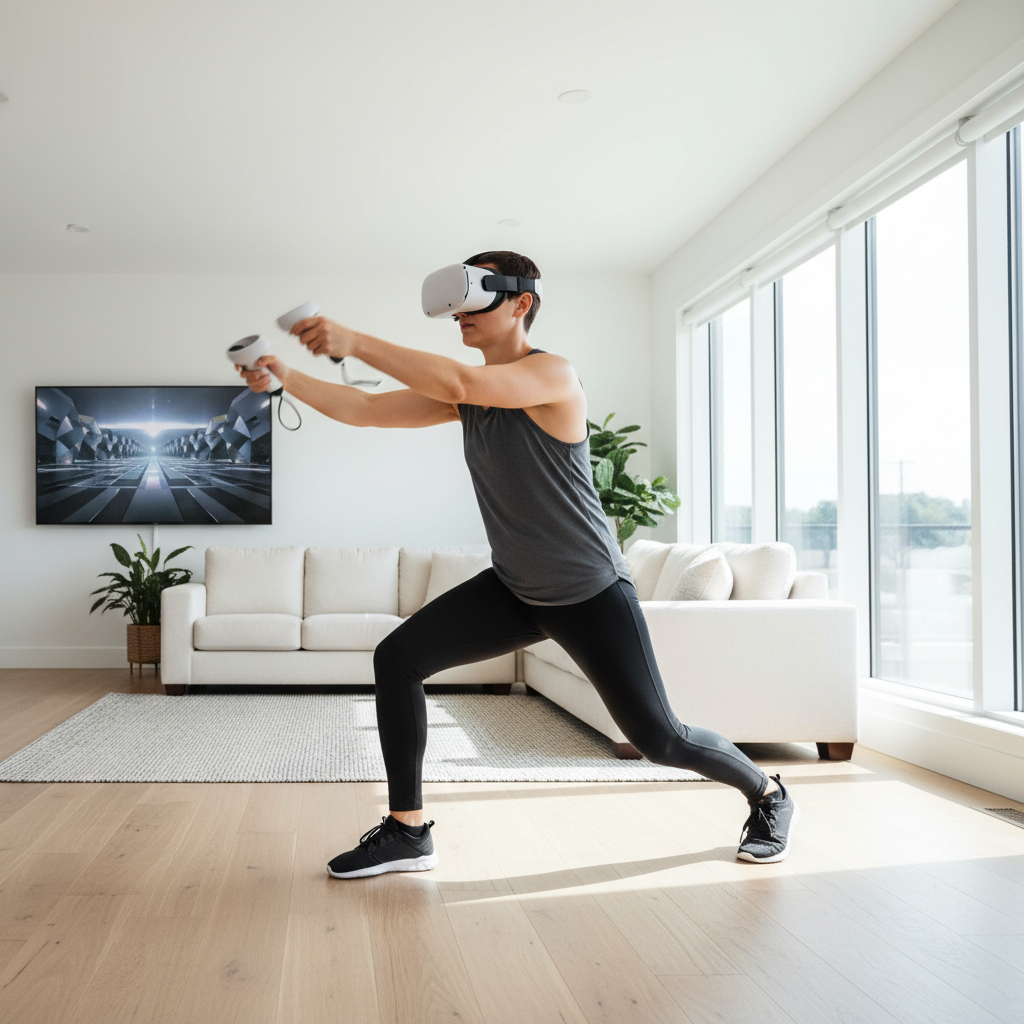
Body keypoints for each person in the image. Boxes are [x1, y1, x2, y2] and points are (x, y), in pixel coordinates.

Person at [237, 250, 799, 876]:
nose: (461, 318)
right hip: (516, 587)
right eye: (456, 309)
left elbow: (459, 382)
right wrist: (285, 374)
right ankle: (408, 830)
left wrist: (354, 340)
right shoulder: (469, 398)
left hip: (590, 592)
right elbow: (367, 411)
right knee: (397, 658)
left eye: (476, 303)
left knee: (660, 739)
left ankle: (768, 793)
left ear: (522, 303)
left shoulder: (553, 376)